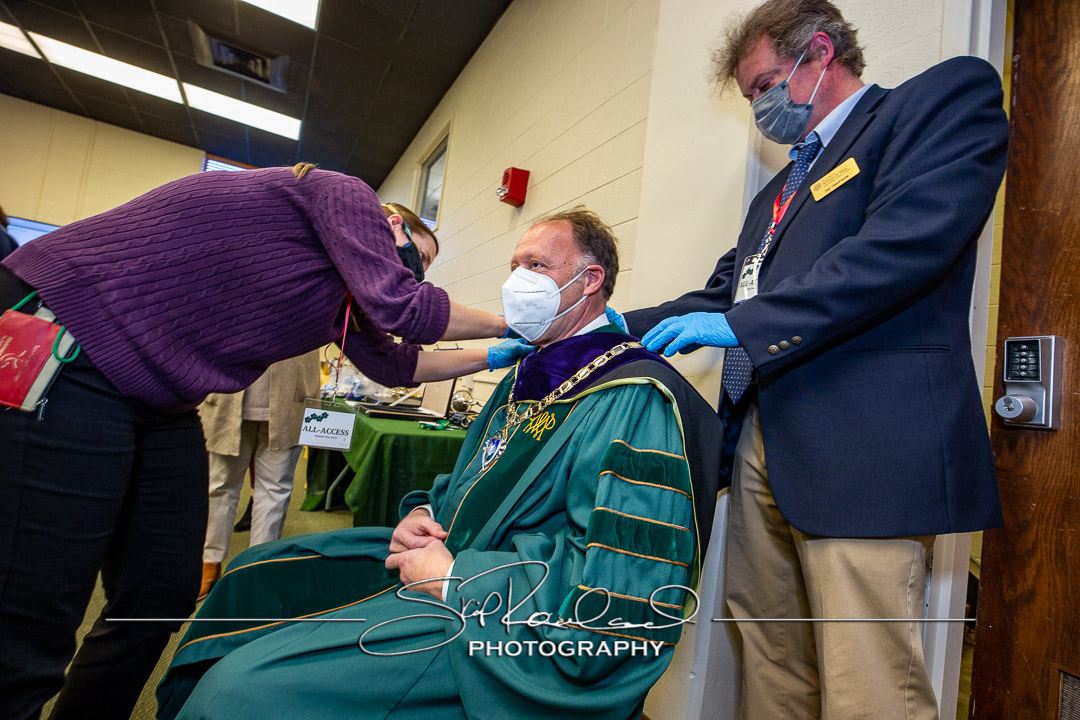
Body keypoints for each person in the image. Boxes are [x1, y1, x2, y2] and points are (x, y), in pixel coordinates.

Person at [157, 207, 722, 720]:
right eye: (514, 263)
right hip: (444, 559)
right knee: (252, 578)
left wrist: (455, 579)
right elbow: (474, 474)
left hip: (506, 620)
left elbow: (623, 596)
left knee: (240, 694)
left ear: (591, 280)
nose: (517, 279)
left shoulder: (632, 396)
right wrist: (423, 511)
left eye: (537, 264)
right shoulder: (532, 372)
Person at [0, 164, 511, 720]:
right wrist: (520, 323)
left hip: (161, 398)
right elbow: (404, 307)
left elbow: (397, 363)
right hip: (72, 344)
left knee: (158, 596)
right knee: (32, 616)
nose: (416, 272)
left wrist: (502, 354)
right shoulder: (344, 194)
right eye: (419, 256)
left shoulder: (346, 300)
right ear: (390, 225)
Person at [624, 2, 1007, 718]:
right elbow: (721, 292)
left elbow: (903, 247)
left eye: (766, 83)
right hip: (764, 438)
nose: (760, 106)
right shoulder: (778, 191)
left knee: (868, 676)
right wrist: (608, 327)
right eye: (750, 98)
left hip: (862, 445)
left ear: (820, 52)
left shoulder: (933, 104)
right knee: (770, 651)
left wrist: (741, 325)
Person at [197, 351, 322, 600]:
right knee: (220, 484)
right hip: (227, 389)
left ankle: (257, 566)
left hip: (292, 389)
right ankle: (209, 561)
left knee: (275, 488)